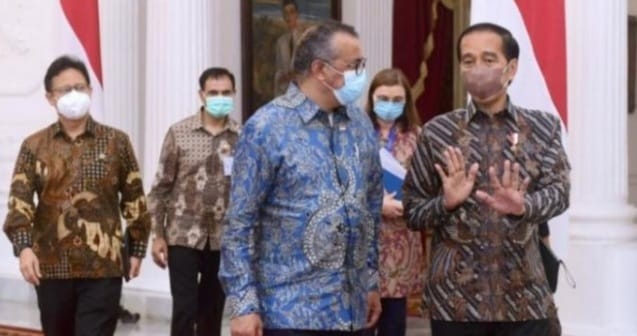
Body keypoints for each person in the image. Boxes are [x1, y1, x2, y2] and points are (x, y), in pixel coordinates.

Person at [402, 22, 570, 336]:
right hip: (455, 302)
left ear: (511, 68)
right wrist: (445, 203)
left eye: (488, 59)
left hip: (526, 299)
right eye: (468, 60)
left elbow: (560, 193)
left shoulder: (543, 127)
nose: (478, 68)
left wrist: (524, 205)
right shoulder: (438, 132)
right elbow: (412, 211)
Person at [219, 22, 382, 336]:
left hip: (352, 312)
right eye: (354, 66)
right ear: (320, 69)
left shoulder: (361, 124)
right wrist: (243, 305)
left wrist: (370, 280)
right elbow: (239, 225)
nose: (361, 74)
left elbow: (371, 209)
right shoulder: (267, 127)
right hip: (289, 313)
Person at [3, 55, 151, 335]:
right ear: (50, 97)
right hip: (50, 266)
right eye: (64, 90)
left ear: (90, 91)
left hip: (103, 266)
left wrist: (137, 248)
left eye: (80, 87)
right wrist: (23, 249)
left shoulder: (116, 142)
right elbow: (19, 203)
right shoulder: (34, 146)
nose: (74, 95)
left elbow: (134, 198)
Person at [147, 67, 240, 336]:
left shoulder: (243, 136)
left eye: (225, 93)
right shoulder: (180, 132)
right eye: (213, 93)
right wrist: (158, 235)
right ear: (201, 94)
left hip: (223, 238)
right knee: (185, 310)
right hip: (183, 236)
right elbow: (160, 188)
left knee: (212, 312)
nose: (219, 97)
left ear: (233, 94)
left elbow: (247, 191)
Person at [365, 68, 424, 336]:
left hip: (400, 242)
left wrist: (408, 203)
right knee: (362, 323)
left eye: (396, 99)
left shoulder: (418, 137)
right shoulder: (356, 133)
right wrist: (376, 205)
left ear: (406, 102)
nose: (389, 105)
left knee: (393, 325)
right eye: (383, 98)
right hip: (363, 241)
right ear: (371, 98)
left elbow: (427, 187)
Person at [274, 0, 303, 96]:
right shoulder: (280, 42)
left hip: (301, 93)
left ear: (297, 14)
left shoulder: (305, 39)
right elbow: (278, 71)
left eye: (291, 12)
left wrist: (294, 75)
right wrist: (282, 77)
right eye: (285, 13)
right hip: (284, 93)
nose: (288, 16)